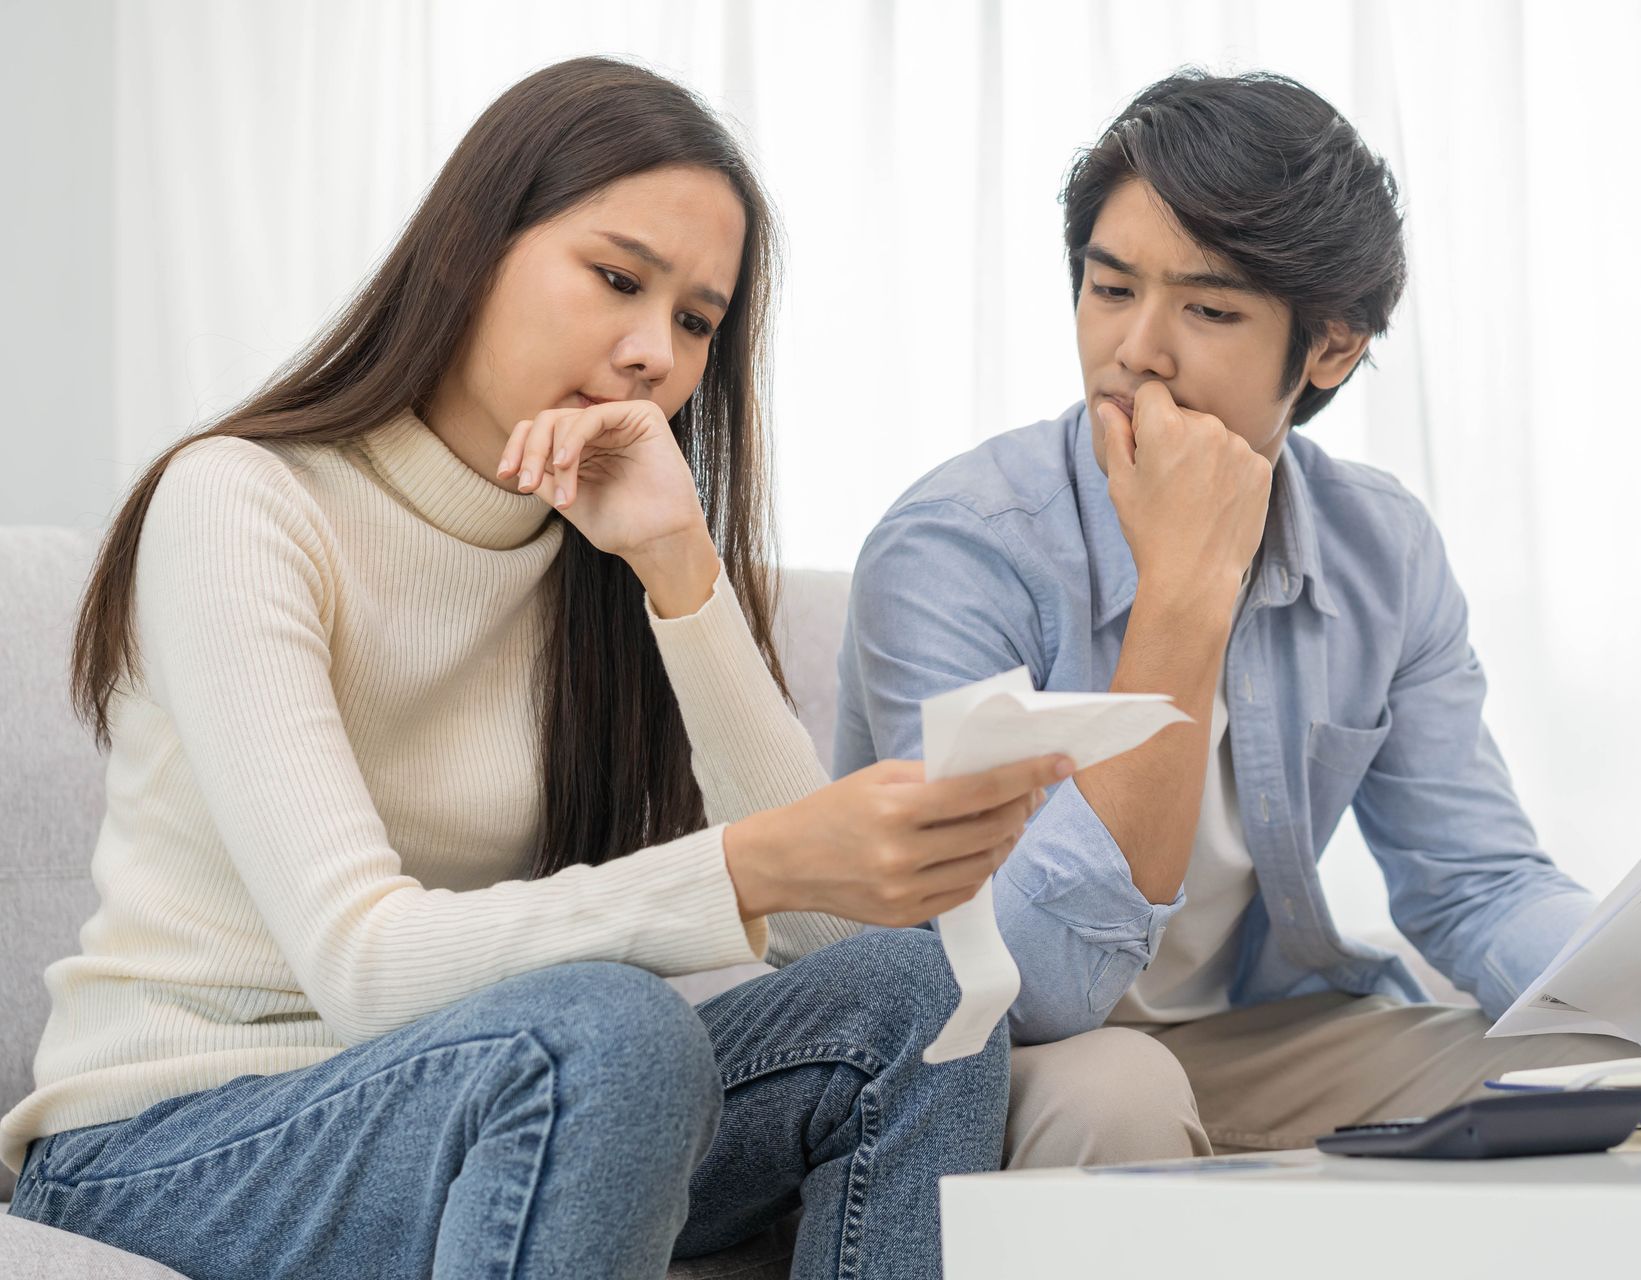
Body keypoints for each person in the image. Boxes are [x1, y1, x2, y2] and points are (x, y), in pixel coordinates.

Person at [2, 56, 1068, 1279]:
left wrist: (678, 565)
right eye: (618, 278)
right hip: (177, 1142)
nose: (652, 353)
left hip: (479, 1094)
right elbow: (363, 967)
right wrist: (747, 865)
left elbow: (832, 937)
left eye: (695, 322)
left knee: (921, 999)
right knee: (608, 1035)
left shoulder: (601, 556)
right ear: (472, 247)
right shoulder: (243, 503)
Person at [835, 70, 1641, 1169]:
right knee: (1119, 1087)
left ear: (1330, 348)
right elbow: (1026, 979)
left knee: (1631, 1073)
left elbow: (1476, 885)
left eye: (1207, 308)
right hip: (986, 1043)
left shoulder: (1379, 547)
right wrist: (1183, 595)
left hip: (1262, 1035)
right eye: (1111, 290)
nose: (1138, 349)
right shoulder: (958, 545)